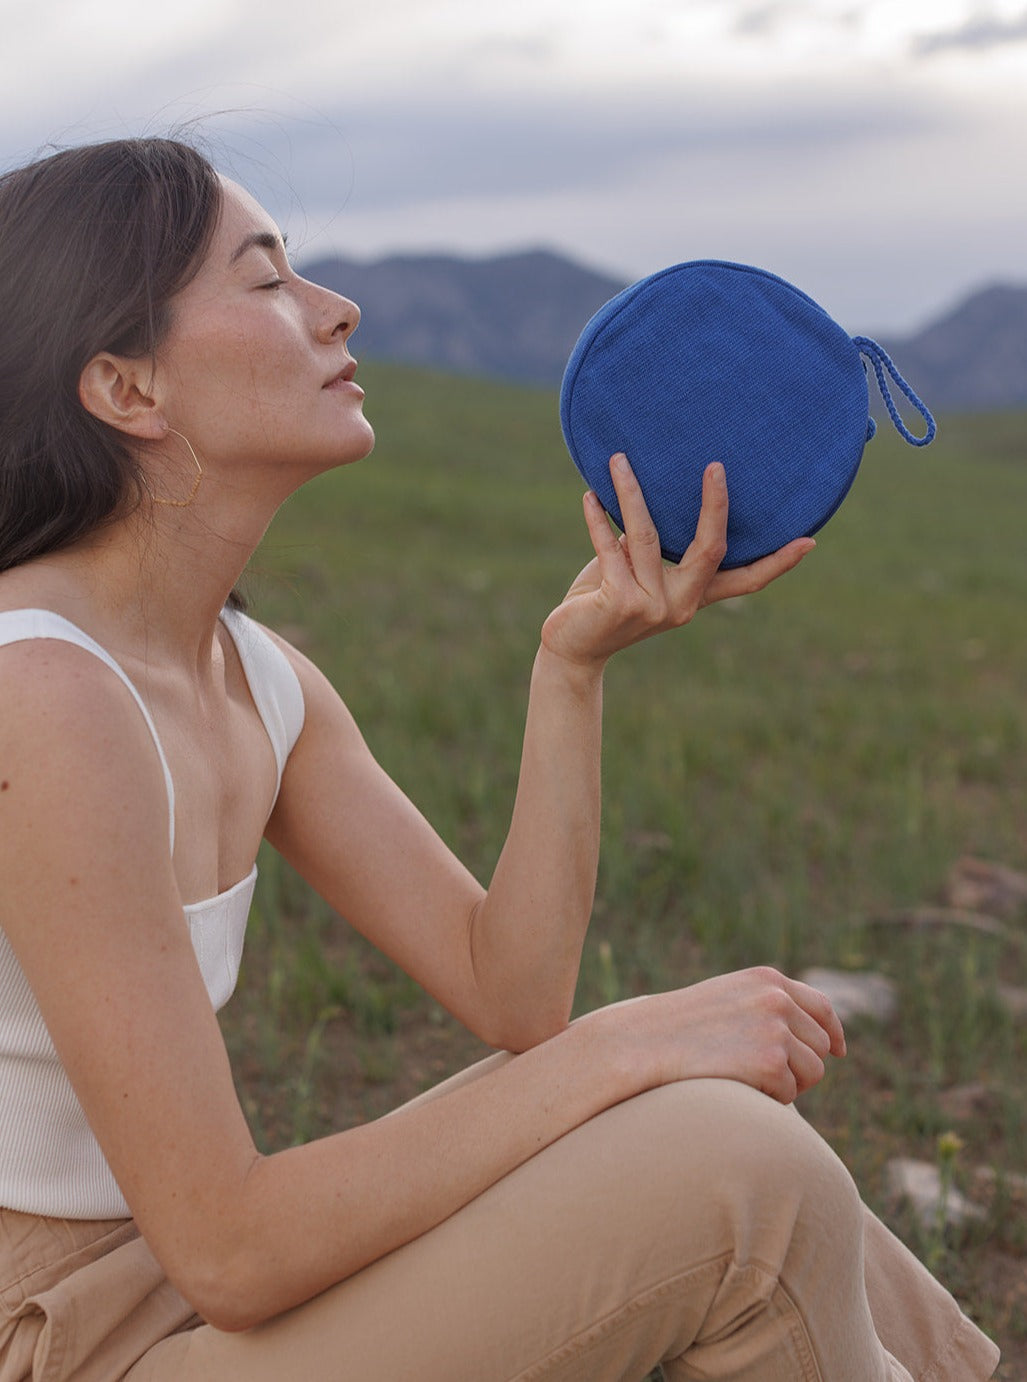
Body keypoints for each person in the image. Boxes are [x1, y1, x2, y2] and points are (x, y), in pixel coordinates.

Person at [0, 137, 998, 1382]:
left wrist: (568, 669)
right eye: (265, 283)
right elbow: (232, 1247)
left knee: (709, 1128)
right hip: (71, 1339)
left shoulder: (254, 675)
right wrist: (621, 1046)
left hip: (195, 1308)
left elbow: (512, 990)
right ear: (126, 388)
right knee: (738, 1172)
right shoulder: (42, 693)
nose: (335, 308)